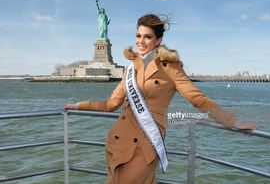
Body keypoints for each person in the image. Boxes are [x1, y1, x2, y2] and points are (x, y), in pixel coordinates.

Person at [65, 14, 257, 184]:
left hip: (145, 145)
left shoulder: (170, 68)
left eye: (147, 36)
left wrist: (234, 122)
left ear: (158, 40)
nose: (141, 41)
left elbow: (198, 99)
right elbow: (110, 104)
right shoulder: (130, 69)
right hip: (118, 142)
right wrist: (78, 105)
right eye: (138, 35)